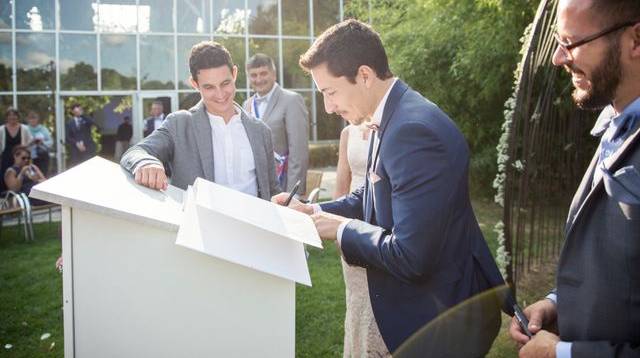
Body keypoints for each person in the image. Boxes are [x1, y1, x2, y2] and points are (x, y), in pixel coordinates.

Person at [273, 19, 506, 355]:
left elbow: (411, 256)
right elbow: (372, 195)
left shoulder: (412, 130)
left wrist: (341, 230)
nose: (329, 107)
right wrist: (314, 211)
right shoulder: (394, 115)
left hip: (441, 322)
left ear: (365, 75)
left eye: (330, 91)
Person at [509, 0, 640, 358]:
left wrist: (563, 354)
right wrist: (558, 303)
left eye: (572, 42)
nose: (557, 57)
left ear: (636, 39)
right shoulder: (617, 122)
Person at [121, 41, 281, 199]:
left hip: (253, 223)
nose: (220, 94)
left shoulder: (261, 131)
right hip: (200, 223)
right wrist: (146, 163)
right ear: (195, 84)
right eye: (209, 87)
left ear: (234, 74)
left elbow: (273, 192)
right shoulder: (179, 124)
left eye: (225, 83)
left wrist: (286, 203)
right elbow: (135, 152)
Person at [333, 123, 375, 356]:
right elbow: (341, 184)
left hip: (380, 226)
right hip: (350, 224)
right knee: (357, 300)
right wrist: (335, 226)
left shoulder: (392, 127)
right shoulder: (347, 133)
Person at [243, 54, 309, 195]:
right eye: (253, 75)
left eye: (263, 73)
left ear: (274, 74)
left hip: (282, 183)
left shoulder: (292, 100)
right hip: (254, 185)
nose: (259, 79)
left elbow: (298, 150)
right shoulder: (246, 105)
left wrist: (293, 193)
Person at [0, 108, 32, 192]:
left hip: (19, 156)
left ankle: (20, 193)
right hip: (6, 156)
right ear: (7, 117)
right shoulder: (2, 129)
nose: (12, 118)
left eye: (14, 116)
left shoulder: (24, 128)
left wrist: (25, 151)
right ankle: (5, 196)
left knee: (19, 173)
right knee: (5, 175)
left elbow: (29, 141)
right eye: (10, 116)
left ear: (17, 117)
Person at [26, 110, 53, 176]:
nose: (33, 120)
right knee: (32, 176)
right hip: (29, 158)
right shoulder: (25, 129)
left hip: (43, 157)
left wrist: (42, 142)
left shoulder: (43, 129)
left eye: (34, 118)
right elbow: (21, 144)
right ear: (28, 120)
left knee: (43, 175)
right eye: (31, 118)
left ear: (38, 119)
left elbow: (51, 142)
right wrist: (30, 143)